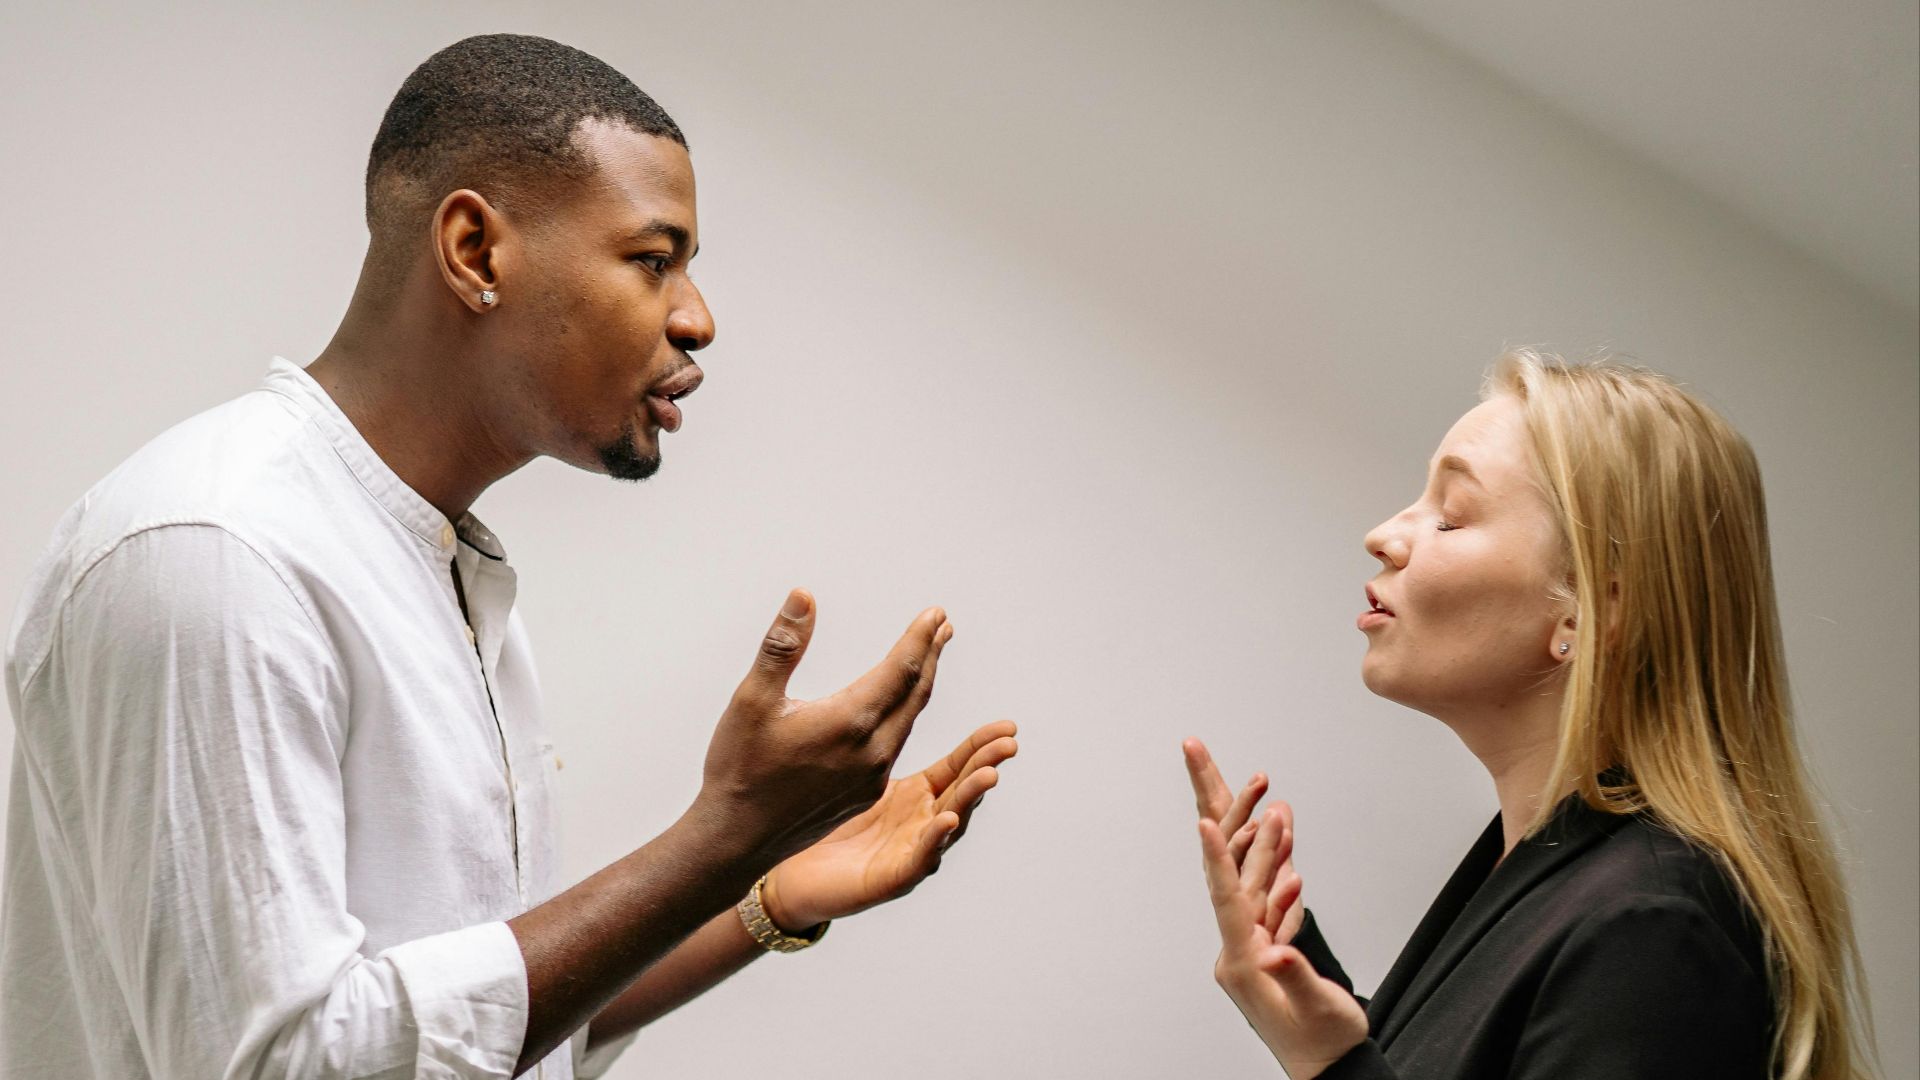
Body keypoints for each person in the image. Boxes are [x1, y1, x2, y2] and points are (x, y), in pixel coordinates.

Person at [1, 34, 1016, 1079]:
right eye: (652, 259)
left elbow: (471, 1027)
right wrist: (717, 840)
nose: (698, 319)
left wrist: (757, 893)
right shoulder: (217, 554)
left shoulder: (442, 569)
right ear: (477, 252)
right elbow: (292, 1064)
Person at [1183, 350, 1872, 1080]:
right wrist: (1301, 979)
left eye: (1450, 517)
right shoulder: (1543, 875)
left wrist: (1330, 1064)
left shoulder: (1651, 927)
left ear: (1594, 608)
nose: (1384, 534)